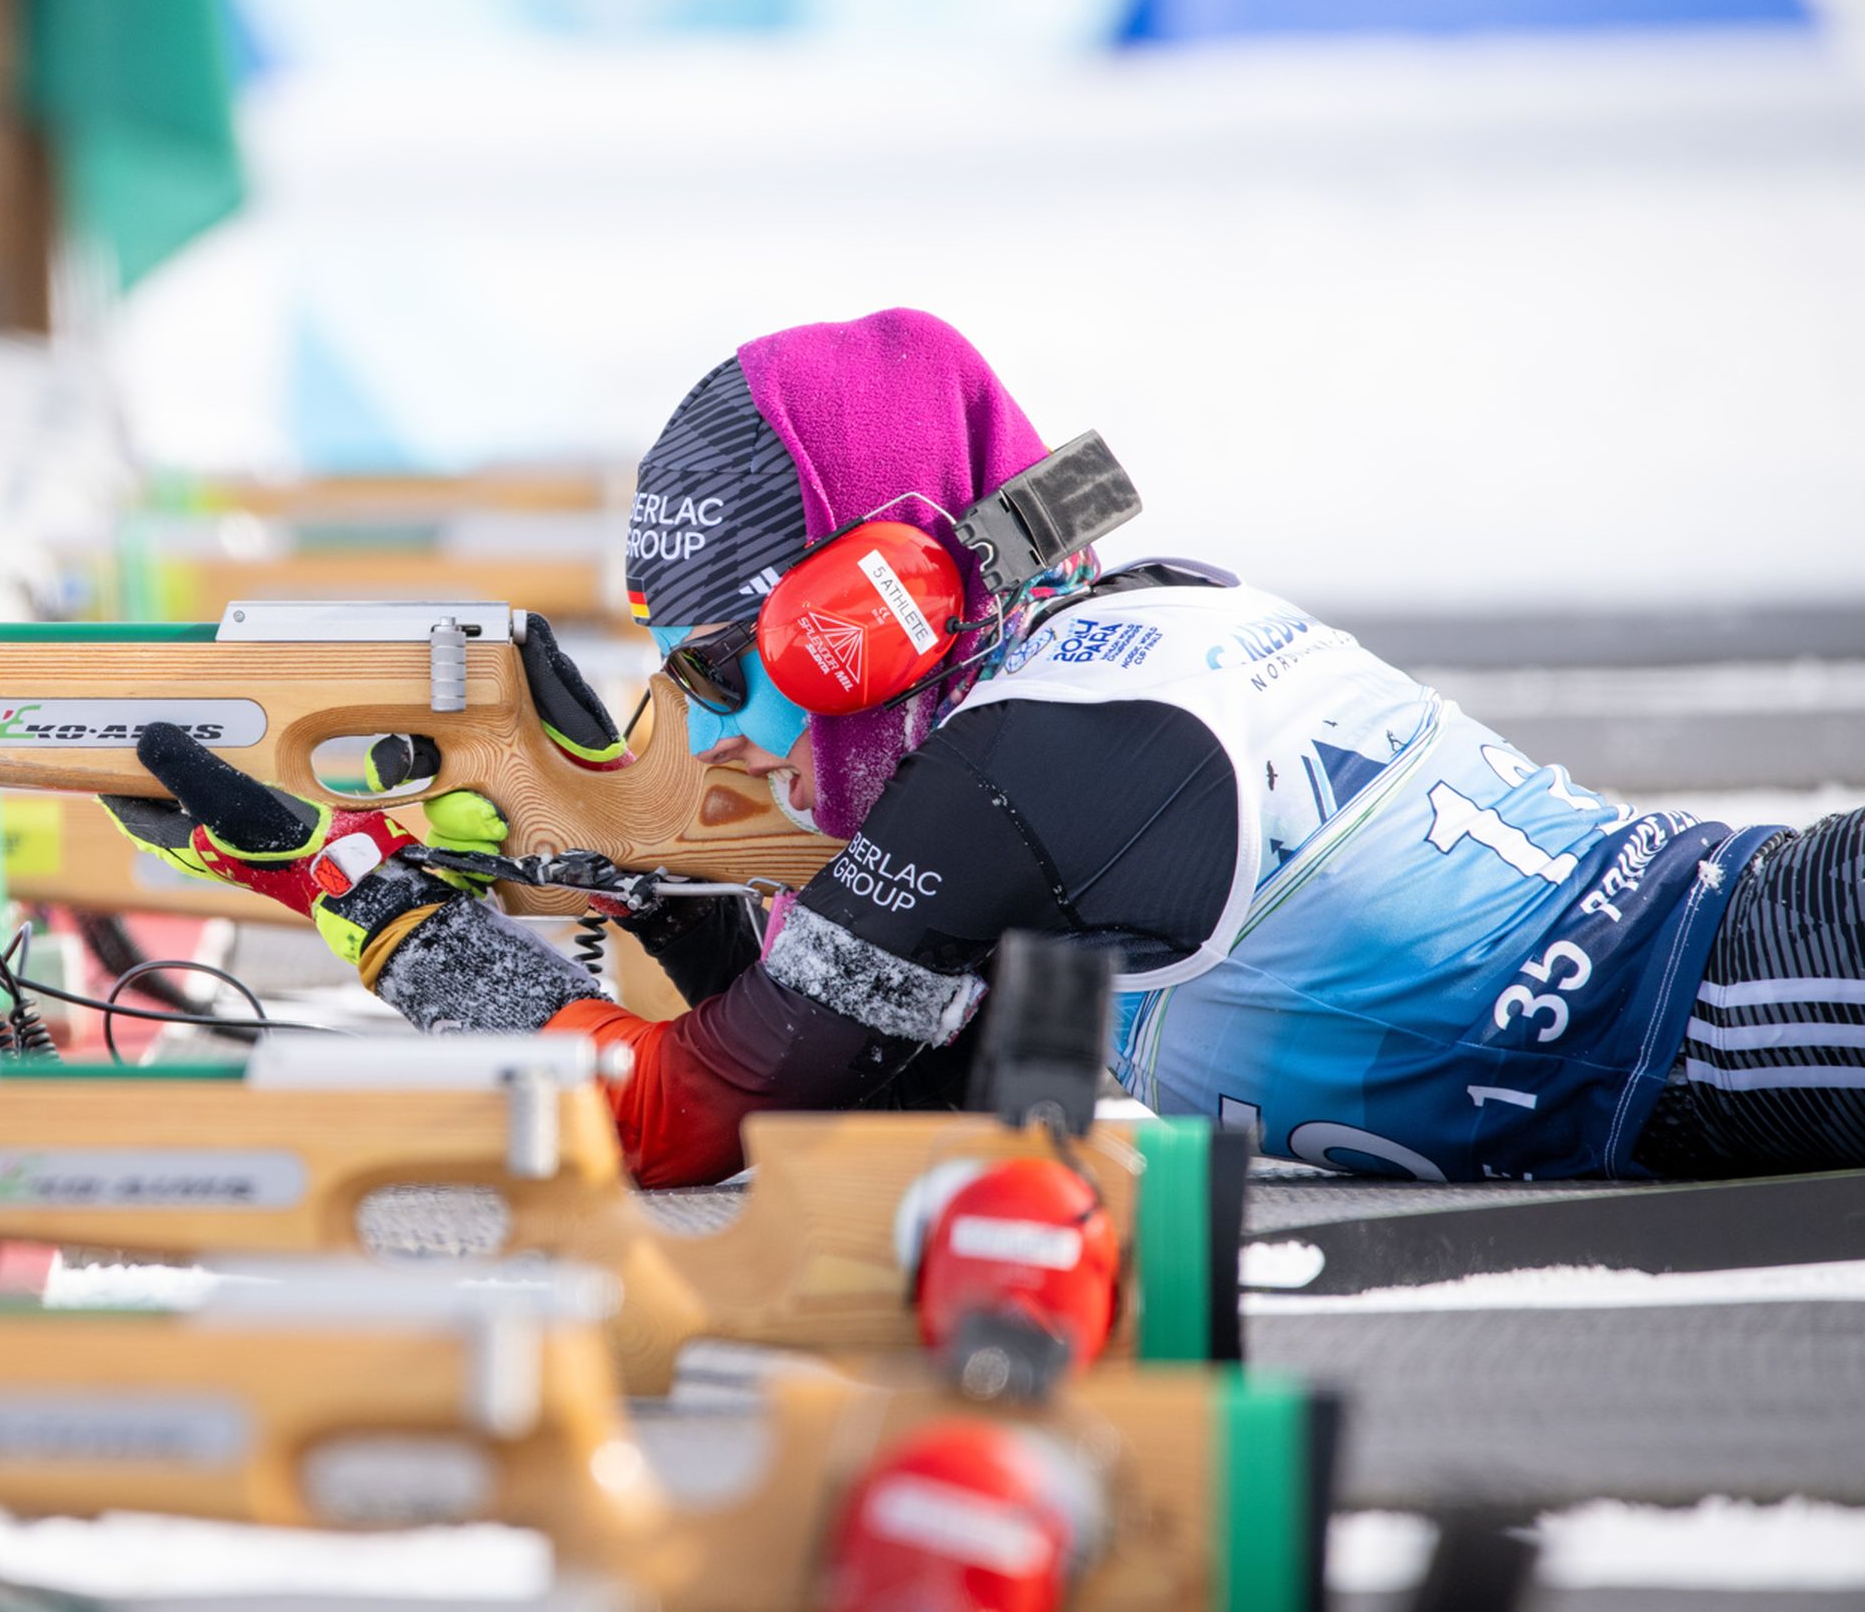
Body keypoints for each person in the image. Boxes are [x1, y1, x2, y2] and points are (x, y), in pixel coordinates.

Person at [107, 307, 1855, 1189]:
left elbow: (684, 1120)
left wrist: (379, 911)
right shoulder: (1099, 662)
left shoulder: (1023, 766)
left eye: (728, 656)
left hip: (1738, 1012)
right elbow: (883, 1089)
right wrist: (663, 904)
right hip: (1745, 971)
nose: (720, 721)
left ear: (855, 604)